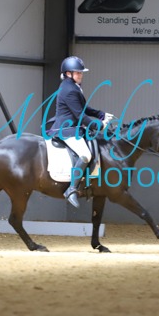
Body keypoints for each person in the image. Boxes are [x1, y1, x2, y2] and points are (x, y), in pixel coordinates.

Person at [50, 56, 114, 208]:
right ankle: (71, 189)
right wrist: (100, 125)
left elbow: (84, 109)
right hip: (67, 130)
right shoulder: (69, 90)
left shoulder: (72, 86)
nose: (80, 75)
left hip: (74, 127)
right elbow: (80, 116)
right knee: (85, 155)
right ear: (68, 73)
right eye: (78, 73)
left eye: (81, 73)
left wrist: (101, 114)